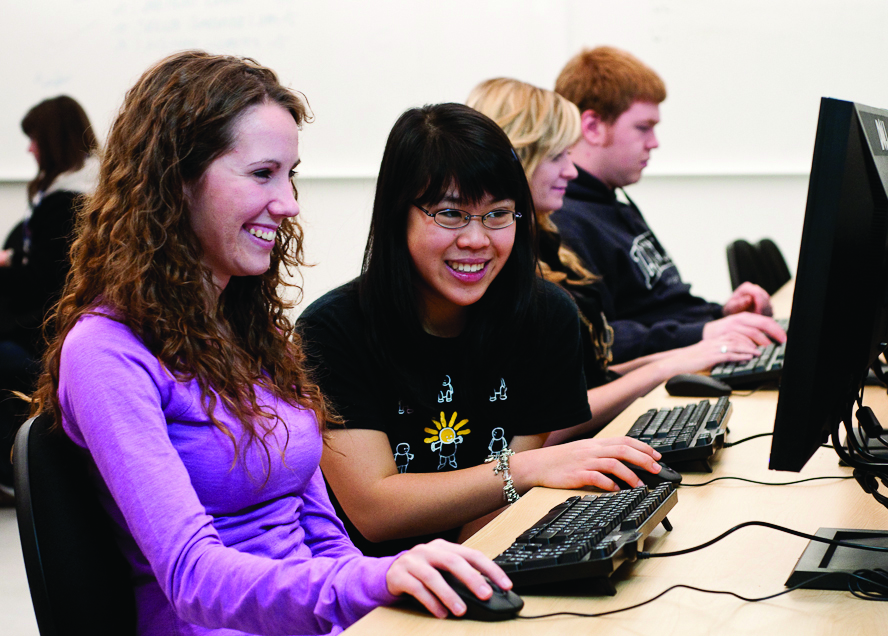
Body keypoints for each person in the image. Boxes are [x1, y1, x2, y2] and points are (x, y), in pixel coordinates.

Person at [29, 51, 511, 635]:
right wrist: (371, 582)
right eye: (263, 174)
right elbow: (191, 577)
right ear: (175, 181)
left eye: (291, 174)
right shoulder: (106, 353)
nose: (288, 202)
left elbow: (321, 536)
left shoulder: (255, 332)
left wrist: (386, 601)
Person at [298, 102, 663, 559]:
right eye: (450, 214)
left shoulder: (547, 316)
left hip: (487, 560)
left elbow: (486, 521)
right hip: (373, 586)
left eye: (498, 214)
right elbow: (375, 513)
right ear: (398, 215)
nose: (477, 239)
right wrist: (529, 468)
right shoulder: (331, 330)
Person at [467, 77, 759, 441]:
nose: (572, 171)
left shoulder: (551, 248)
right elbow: (537, 431)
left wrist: (689, 354)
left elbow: (592, 377)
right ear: (516, 160)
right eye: (558, 155)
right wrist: (664, 366)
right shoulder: (496, 281)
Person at [551, 46, 786, 363]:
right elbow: (598, 340)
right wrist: (703, 332)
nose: (654, 142)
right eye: (643, 127)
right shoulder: (563, 221)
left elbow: (656, 306)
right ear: (592, 127)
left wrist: (719, 314)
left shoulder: (614, 201)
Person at [0, 95, 99, 497]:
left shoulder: (68, 202)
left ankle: (12, 473)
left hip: (49, 331)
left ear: (52, 140)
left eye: (34, 138)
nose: (29, 148)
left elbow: (44, 284)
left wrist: (12, 263)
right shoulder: (77, 192)